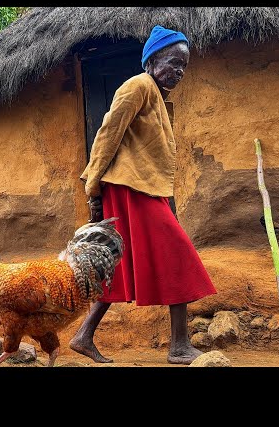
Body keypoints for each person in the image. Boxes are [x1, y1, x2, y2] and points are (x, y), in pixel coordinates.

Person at [70, 25, 217, 365]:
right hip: (129, 190)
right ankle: (179, 347)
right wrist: (92, 185)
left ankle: (83, 336)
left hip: (142, 189)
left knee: (119, 264)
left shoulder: (156, 95)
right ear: (151, 60)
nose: (178, 72)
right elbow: (107, 133)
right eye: (173, 62)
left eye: (183, 66)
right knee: (179, 255)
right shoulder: (138, 85)